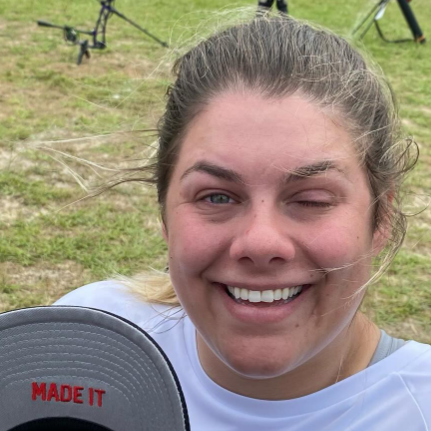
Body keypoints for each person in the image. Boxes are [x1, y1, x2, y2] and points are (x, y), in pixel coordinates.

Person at [54, 16, 430, 430]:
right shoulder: (85, 343)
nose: (260, 242)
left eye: (311, 200)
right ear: (164, 213)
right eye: (216, 196)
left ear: (382, 217)